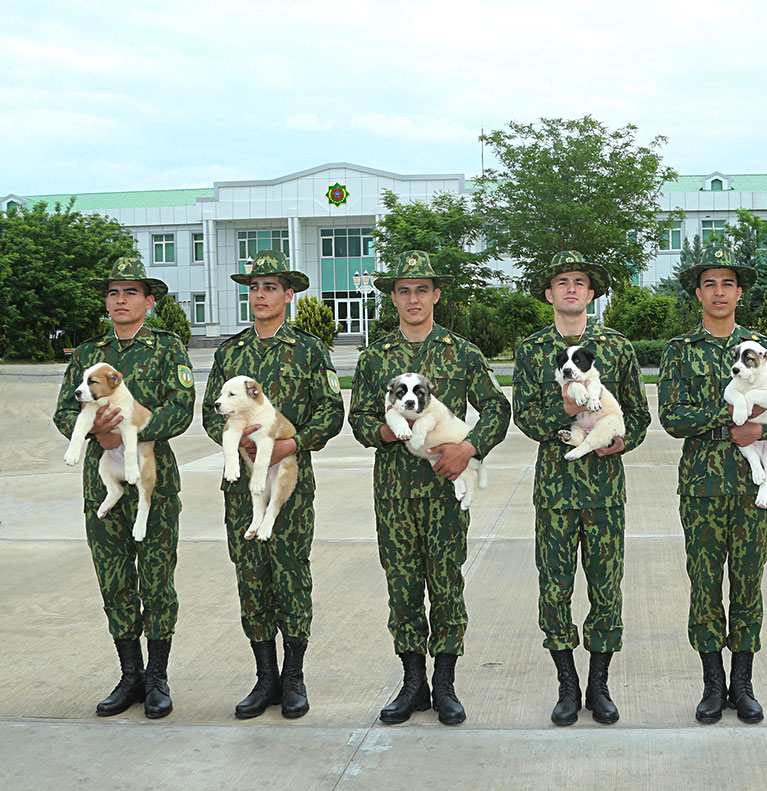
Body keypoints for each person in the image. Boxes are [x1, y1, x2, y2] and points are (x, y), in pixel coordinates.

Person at [347, 250, 510, 726]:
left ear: (436, 295)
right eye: (403, 290)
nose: (413, 298)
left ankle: (445, 683)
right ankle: (412, 681)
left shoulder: (461, 352)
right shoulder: (375, 357)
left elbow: (497, 408)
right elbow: (358, 419)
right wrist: (385, 430)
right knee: (401, 587)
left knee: (446, 585)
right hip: (395, 494)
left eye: (422, 289)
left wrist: (470, 448)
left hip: (444, 493)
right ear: (392, 298)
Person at [658, 246, 767, 724]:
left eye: (727, 283)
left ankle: (742, 683)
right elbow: (672, 418)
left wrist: (759, 430)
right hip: (701, 488)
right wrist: (726, 415)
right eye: (709, 284)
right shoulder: (681, 351)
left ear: (740, 292)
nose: (718, 292)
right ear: (698, 293)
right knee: (704, 587)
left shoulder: (760, 349)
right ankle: (711, 684)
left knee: (747, 585)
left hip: (751, 488)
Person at [201, 249, 344, 720]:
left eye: (269, 287)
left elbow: (331, 410)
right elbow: (209, 411)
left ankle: (294, 677)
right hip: (243, 483)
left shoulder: (308, 348)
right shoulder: (230, 351)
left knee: (290, 573)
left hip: (288, 482)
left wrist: (295, 443)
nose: (260, 295)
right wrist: (233, 440)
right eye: (254, 287)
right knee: (251, 575)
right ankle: (265, 678)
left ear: (288, 294)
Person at [511, 250, 650, 726]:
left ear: (592, 294)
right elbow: (525, 415)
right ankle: (567, 684)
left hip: (605, 489)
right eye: (561, 281)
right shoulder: (532, 351)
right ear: (549, 294)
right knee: (554, 588)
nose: (571, 288)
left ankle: (599, 683)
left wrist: (622, 439)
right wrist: (569, 414)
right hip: (555, 489)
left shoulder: (617, 347)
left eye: (580, 282)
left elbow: (639, 413)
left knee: (606, 588)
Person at [53, 254, 195, 719]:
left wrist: (135, 430)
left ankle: (157, 678)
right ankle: (129, 675)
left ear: (149, 301)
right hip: (104, 483)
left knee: (156, 581)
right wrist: (100, 434)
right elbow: (63, 413)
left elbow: (182, 408)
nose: (120, 299)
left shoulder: (167, 348)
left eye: (130, 292)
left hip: (155, 481)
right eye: (113, 292)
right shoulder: (90, 353)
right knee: (114, 580)